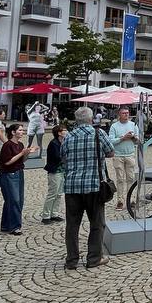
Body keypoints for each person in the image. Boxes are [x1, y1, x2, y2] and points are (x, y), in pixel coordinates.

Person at [61, 106, 115, 269]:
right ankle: (94, 258)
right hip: (94, 185)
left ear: (76, 120)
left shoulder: (68, 137)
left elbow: (63, 157)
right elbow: (111, 152)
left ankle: (71, 260)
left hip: (72, 186)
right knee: (97, 223)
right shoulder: (99, 134)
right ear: (92, 119)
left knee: (72, 225)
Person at [0, 123, 33, 235]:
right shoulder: (7, 145)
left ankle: (6, 225)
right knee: (14, 200)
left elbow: (22, 160)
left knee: (16, 200)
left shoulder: (20, 144)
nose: (22, 132)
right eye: (20, 130)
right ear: (13, 132)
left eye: (22, 130)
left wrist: (27, 153)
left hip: (19, 173)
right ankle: (14, 227)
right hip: (9, 174)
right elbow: (7, 162)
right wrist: (21, 153)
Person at [108, 107, 140, 210]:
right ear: (119, 114)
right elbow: (111, 141)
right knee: (120, 179)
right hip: (118, 155)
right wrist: (122, 138)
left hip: (130, 155)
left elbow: (138, 140)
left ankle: (131, 200)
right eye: (124, 113)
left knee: (130, 178)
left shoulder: (133, 125)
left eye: (127, 113)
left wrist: (134, 138)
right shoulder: (114, 126)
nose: (126, 115)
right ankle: (120, 201)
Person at [42, 123, 67, 224]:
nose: (66, 131)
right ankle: (46, 215)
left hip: (62, 171)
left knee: (59, 194)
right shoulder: (54, 143)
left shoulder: (63, 142)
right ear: (59, 133)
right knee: (52, 193)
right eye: (64, 130)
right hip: (55, 171)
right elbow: (57, 157)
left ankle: (54, 214)